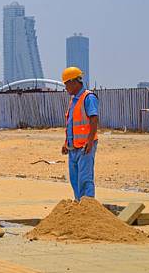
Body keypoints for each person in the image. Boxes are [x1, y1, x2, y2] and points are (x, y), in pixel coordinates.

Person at [61, 66, 99, 200]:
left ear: (73, 82)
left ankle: (88, 206)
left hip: (85, 147)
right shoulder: (73, 100)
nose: (65, 88)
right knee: (75, 180)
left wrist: (89, 141)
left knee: (85, 179)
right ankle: (79, 207)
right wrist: (66, 143)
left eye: (66, 84)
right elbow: (71, 124)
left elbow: (94, 119)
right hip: (73, 147)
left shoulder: (88, 97)